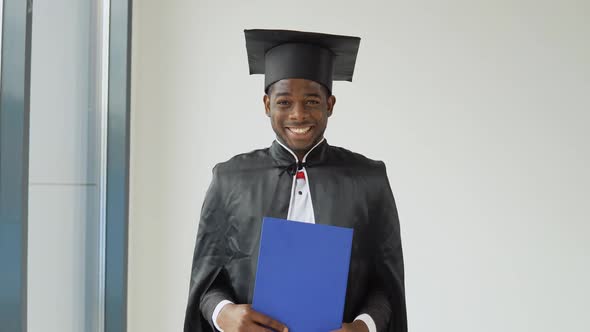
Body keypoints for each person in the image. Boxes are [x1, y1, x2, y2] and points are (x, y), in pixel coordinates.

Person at [184, 29, 407, 332]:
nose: (299, 115)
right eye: (285, 102)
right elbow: (207, 283)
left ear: (330, 104)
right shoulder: (229, 180)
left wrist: (363, 327)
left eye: (312, 101)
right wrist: (223, 314)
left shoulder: (368, 180)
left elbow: (386, 287)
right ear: (267, 105)